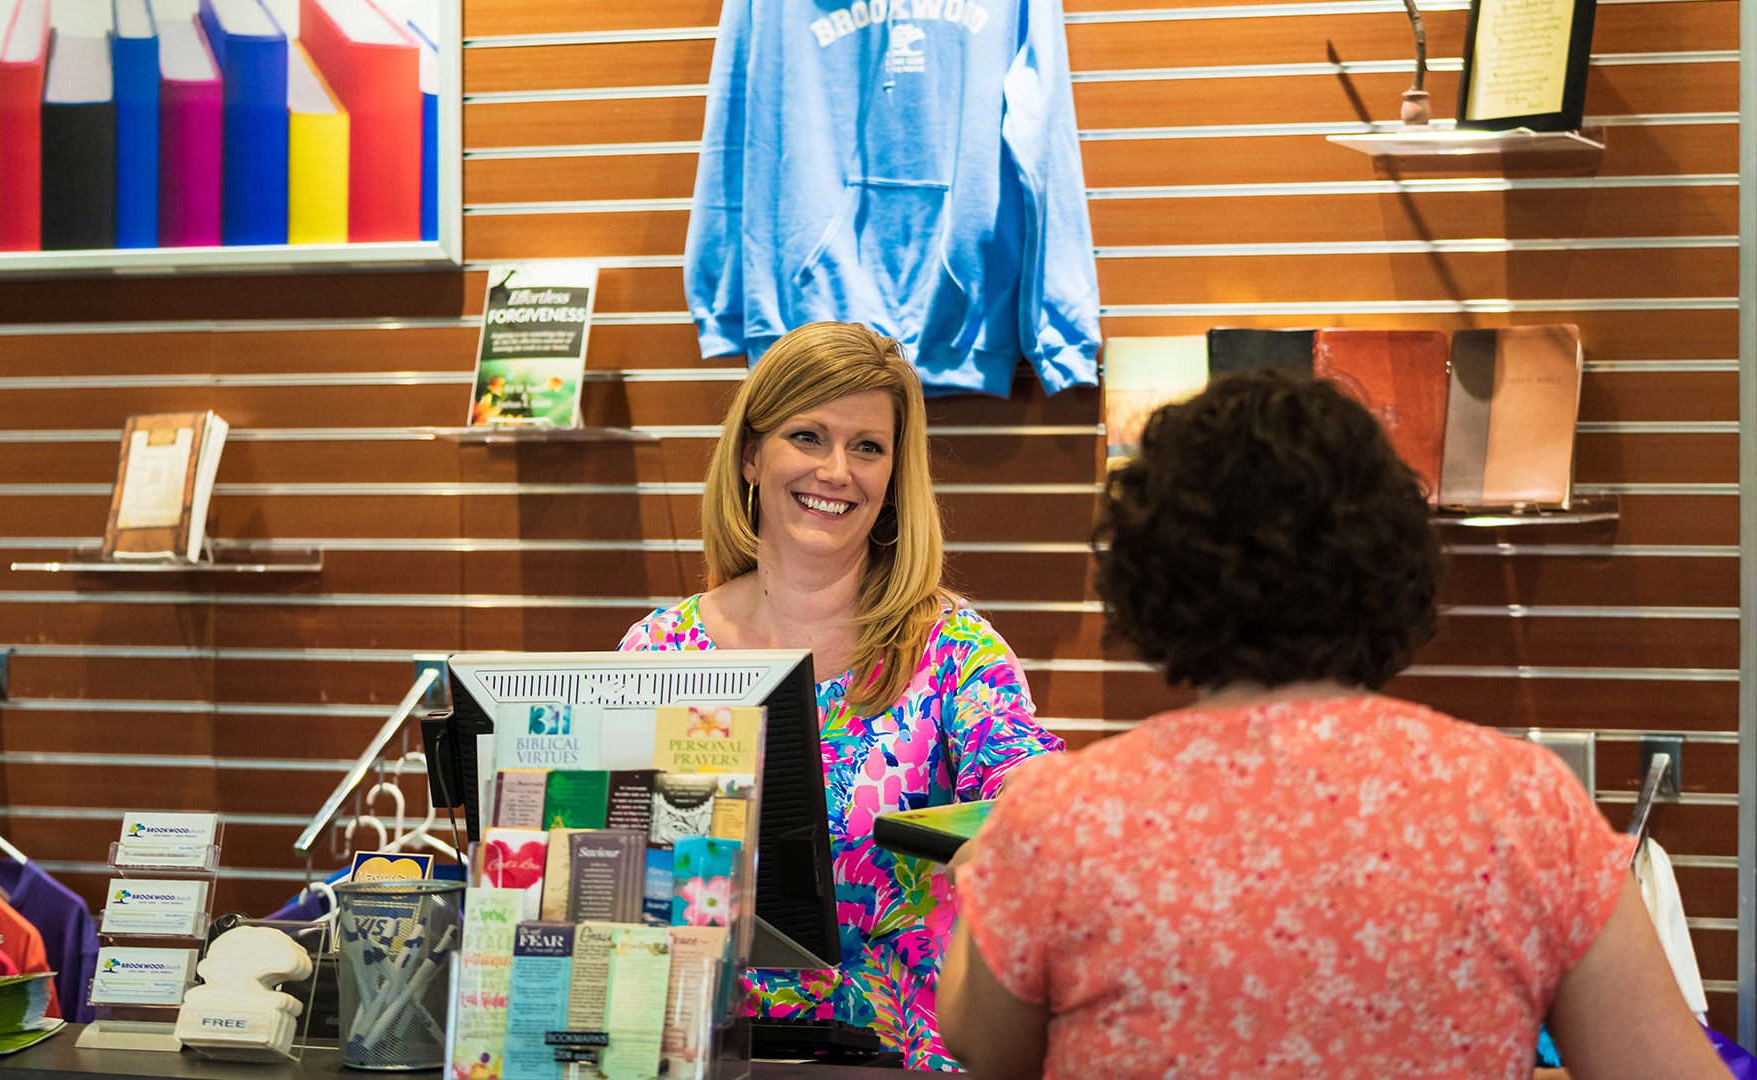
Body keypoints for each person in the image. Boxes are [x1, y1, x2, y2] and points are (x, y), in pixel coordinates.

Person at [939, 372, 1730, 1080]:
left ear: (1150, 572)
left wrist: (989, 885)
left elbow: (982, 1045)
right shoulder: (1526, 806)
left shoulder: (1060, 816)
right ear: (1393, 558)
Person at [619, 321, 1062, 1069]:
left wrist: (1019, 830)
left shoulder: (955, 653)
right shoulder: (657, 653)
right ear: (752, 455)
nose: (836, 470)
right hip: (696, 1052)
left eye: (868, 447)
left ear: (893, 478)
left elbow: (1031, 806)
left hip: (904, 1059)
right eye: (808, 435)